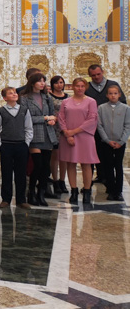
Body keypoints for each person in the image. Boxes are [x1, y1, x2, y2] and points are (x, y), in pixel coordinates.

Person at [58, 78, 100, 206]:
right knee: (71, 163)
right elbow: (61, 118)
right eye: (77, 86)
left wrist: (74, 132)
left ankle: (87, 191)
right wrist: (67, 133)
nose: (80, 88)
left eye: (82, 86)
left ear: (85, 87)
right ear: (73, 87)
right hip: (68, 137)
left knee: (86, 164)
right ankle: (74, 191)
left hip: (85, 136)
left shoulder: (91, 101)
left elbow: (92, 119)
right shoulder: (66, 101)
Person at [19, 72, 58, 206]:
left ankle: (41, 192)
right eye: (40, 81)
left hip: (47, 134)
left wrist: (53, 120)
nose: (42, 83)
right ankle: (31, 192)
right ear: (32, 83)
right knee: (37, 165)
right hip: (34, 134)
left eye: (43, 81)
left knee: (46, 167)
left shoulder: (47, 97)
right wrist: (45, 118)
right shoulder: (24, 98)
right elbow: (25, 117)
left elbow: (52, 114)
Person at [0, 87, 33, 209]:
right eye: (10, 93)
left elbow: (28, 128)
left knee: (21, 173)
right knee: (6, 172)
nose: (14, 94)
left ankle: (21, 199)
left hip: (21, 145)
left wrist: (26, 143)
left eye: (15, 93)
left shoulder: (24, 110)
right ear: (5, 98)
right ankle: (6, 199)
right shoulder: (0, 111)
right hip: (6, 145)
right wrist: (0, 145)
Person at [86, 64, 126, 184]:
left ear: (102, 72)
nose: (96, 77)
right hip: (93, 127)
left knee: (108, 156)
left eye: (98, 74)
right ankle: (95, 177)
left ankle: (107, 178)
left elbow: (122, 103)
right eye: (93, 75)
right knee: (94, 152)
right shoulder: (87, 88)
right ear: (90, 75)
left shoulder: (112, 85)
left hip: (110, 127)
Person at [96, 84, 130, 201]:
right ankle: (110, 190)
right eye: (110, 93)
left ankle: (118, 191)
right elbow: (99, 125)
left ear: (119, 94)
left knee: (118, 166)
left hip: (120, 142)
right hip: (107, 142)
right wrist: (107, 140)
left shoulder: (126, 108)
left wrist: (121, 141)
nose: (113, 96)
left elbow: (127, 126)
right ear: (107, 95)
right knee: (108, 166)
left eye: (115, 93)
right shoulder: (101, 108)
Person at [49, 76, 69, 195]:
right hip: (53, 127)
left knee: (64, 156)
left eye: (61, 82)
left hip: (64, 128)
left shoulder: (68, 97)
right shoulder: (49, 97)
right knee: (55, 155)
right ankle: (55, 180)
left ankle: (62, 180)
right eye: (56, 83)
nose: (59, 85)